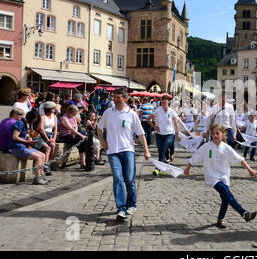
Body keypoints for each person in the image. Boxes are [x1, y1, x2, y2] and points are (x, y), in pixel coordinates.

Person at [184, 124, 257, 229]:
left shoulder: (227, 148)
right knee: (226, 193)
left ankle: (220, 220)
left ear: (222, 134)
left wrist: (250, 169)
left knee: (225, 198)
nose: (215, 135)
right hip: (212, 176)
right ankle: (244, 213)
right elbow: (195, 157)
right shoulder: (206, 147)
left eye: (217, 133)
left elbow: (239, 159)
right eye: (213, 134)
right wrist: (188, 168)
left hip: (224, 176)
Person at [97, 87, 150, 222]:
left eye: (118, 97)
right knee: (117, 178)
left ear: (125, 98)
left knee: (130, 179)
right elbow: (99, 127)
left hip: (127, 150)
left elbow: (140, 133)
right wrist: (102, 140)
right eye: (114, 97)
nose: (115, 100)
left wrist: (146, 150)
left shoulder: (131, 114)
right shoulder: (109, 112)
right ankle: (121, 208)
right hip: (112, 151)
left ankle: (131, 204)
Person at [9, 109, 48, 185]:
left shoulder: (26, 123)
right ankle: (37, 178)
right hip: (17, 147)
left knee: (43, 155)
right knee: (38, 158)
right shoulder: (20, 123)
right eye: (34, 120)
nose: (34, 122)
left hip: (24, 146)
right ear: (31, 118)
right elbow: (15, 137)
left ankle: (41, 175)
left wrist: (28, 138)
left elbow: (23, 135)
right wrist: (27, 141)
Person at [147, 95, 181, 176]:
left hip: (169, 134)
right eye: (163, 100)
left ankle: (158, 168)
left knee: (162, 151)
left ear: (168, 102)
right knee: (161, 152)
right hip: (159, 135)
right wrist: (154, 126)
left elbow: (176, 124)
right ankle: (163, 169)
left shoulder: (172, 111)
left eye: (166, 100)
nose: (164, 102)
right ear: (161, 102)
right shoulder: (158, 110)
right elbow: (148, 119)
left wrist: (178, 134)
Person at [59, 105, 88, 169]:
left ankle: (83, 162)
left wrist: (75, 133)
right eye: (76, 112)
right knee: (81, 140)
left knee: (84, 142)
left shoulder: (73, 117)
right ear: (72, 111)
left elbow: (75, 127)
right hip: (65, 135)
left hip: (73, 134)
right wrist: (81, 135)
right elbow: (70, 128)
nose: (77, 113)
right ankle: (83, 163)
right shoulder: (64, 119)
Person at [35, 101, 58, 175]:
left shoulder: (54, 116)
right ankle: (45, 166)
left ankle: (48, 163)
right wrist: (47, 140)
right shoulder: (42, 117)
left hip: (50, 135)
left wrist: (54, 138)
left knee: (53, 146)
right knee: (48, 148)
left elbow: (55, 128)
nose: (54, 109)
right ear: (49, 109)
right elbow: (41, 129)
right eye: (53, 108)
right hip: (41, 136)